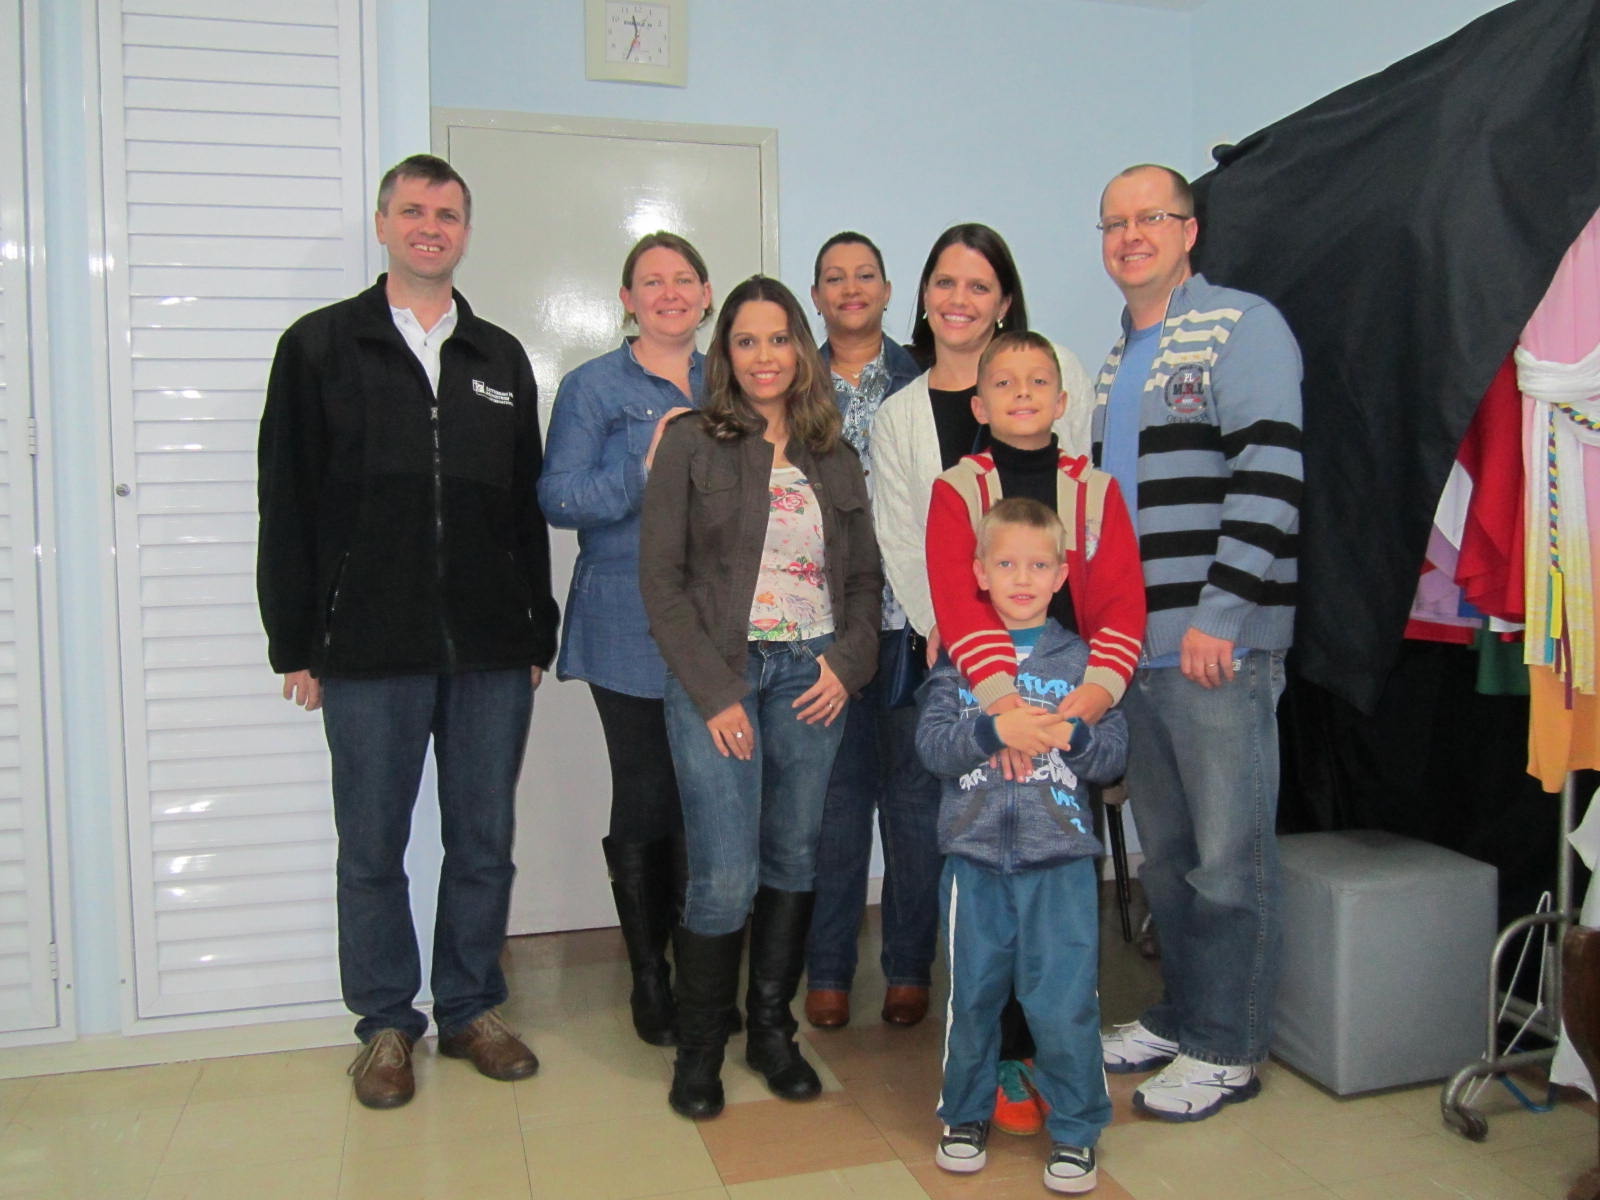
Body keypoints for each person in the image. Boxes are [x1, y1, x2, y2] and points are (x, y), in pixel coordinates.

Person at [256, 154, 557, 1109]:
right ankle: (386, 1024)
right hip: (365, 648)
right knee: (372, 848)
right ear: (384, 222)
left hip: (490, 651)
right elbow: (286, 500)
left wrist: (535, 629)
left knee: (484, 842)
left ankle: (470, 1008)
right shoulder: (319, 346)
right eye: (415, 210)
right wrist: (295, 640)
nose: (432, 227)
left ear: (466, 231)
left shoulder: (499, 358)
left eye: (449, 214)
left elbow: (522, 506)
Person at [639, 275, 882, 1120]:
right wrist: (715, 692)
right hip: (720, 679)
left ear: (801, 350)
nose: (764, 356)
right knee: (724, 873)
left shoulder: (833, 453)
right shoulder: (690, 443)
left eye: (779, 338)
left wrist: (847, 665)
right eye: (746, 340)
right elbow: (660, 582)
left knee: (793, 858)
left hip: (813, 680)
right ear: (726, 354)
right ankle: (700, 1050)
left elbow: (864, 580)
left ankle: (772, 1034)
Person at [872, 223, 1095, 1135]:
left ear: (1005, 301)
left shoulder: (1054, 371)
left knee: (1046, 849)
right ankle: (994, 1057)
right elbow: (905, 540)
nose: (959, 299)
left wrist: (1061, 662)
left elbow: (1079, 504)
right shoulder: (900, 413)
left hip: (1055, 655)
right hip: (957, 654)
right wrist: (967, 649)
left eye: (978, 284)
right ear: (924, 296)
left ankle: (1043, 1049)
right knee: (977, 853)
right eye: (944, 282)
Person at [1091, 164, 1303, 1121]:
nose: (1130, 235)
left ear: (1190, 230)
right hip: (1137, 653)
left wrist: (1222, 615)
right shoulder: (1117, 359)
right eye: (1113, 223)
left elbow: (1271, 473)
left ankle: (1229, 1046)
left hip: (1219, 647)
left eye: (1151, 217)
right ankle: (1182, 1015)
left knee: (1228, 859)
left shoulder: (1241, 326)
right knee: (1169, 860)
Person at [918, 497, 1126, 1195]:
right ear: (980, 572)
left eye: (1039, 566)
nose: (1022, 578)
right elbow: (933, 747)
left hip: (1059, 865)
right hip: (973, 863)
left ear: (1062, 574)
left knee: (1064, 1003)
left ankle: (1076, 1128)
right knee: (972, 998)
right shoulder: (960, 658)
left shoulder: (1085, 662)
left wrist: (1073, 736)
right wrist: (992, 731)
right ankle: (964, 1115)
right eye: (1006, 564)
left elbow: (1113, 755)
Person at [539, 232, 712, 1047]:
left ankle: (699, 966)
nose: (669, 293)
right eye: (652, 281)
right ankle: (650, 976)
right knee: (647, 790)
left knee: (706, 794)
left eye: (683, 279)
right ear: (627, 300)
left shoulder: (731, 379)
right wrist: (646, 468)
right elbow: (559, 498)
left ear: (706, 295)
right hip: (623, 619)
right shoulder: (592, 387)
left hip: (718, 621)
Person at [802, 232, 940, 1032]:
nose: (850, 288)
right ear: (816, 296)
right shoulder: (794, 383)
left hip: (913, 624)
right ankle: (827, 971)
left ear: (889, 291)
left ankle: (909, 968)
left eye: (865, 276)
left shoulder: (926, 378)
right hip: (819, 631)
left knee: (915, 806)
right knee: (835, 804)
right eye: (834, 278)